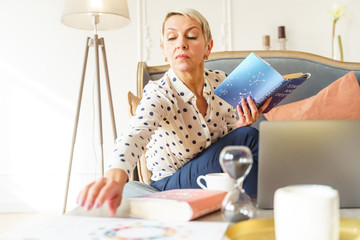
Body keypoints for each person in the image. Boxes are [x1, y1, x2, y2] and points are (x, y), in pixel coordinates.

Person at [77, 8, 271, 215]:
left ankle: (261, 210)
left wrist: (240, 125)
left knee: (246, 146)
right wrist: (114, 178)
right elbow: (135, 134)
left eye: (191, 36)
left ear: (208, 47)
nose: (181, 43)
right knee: (248, 138)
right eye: (172, 38)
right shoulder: (159, 93)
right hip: (169, 181)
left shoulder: (220, 81)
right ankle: (266, 206)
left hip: (209, 171)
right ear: (164, 50)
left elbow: (229, 138)